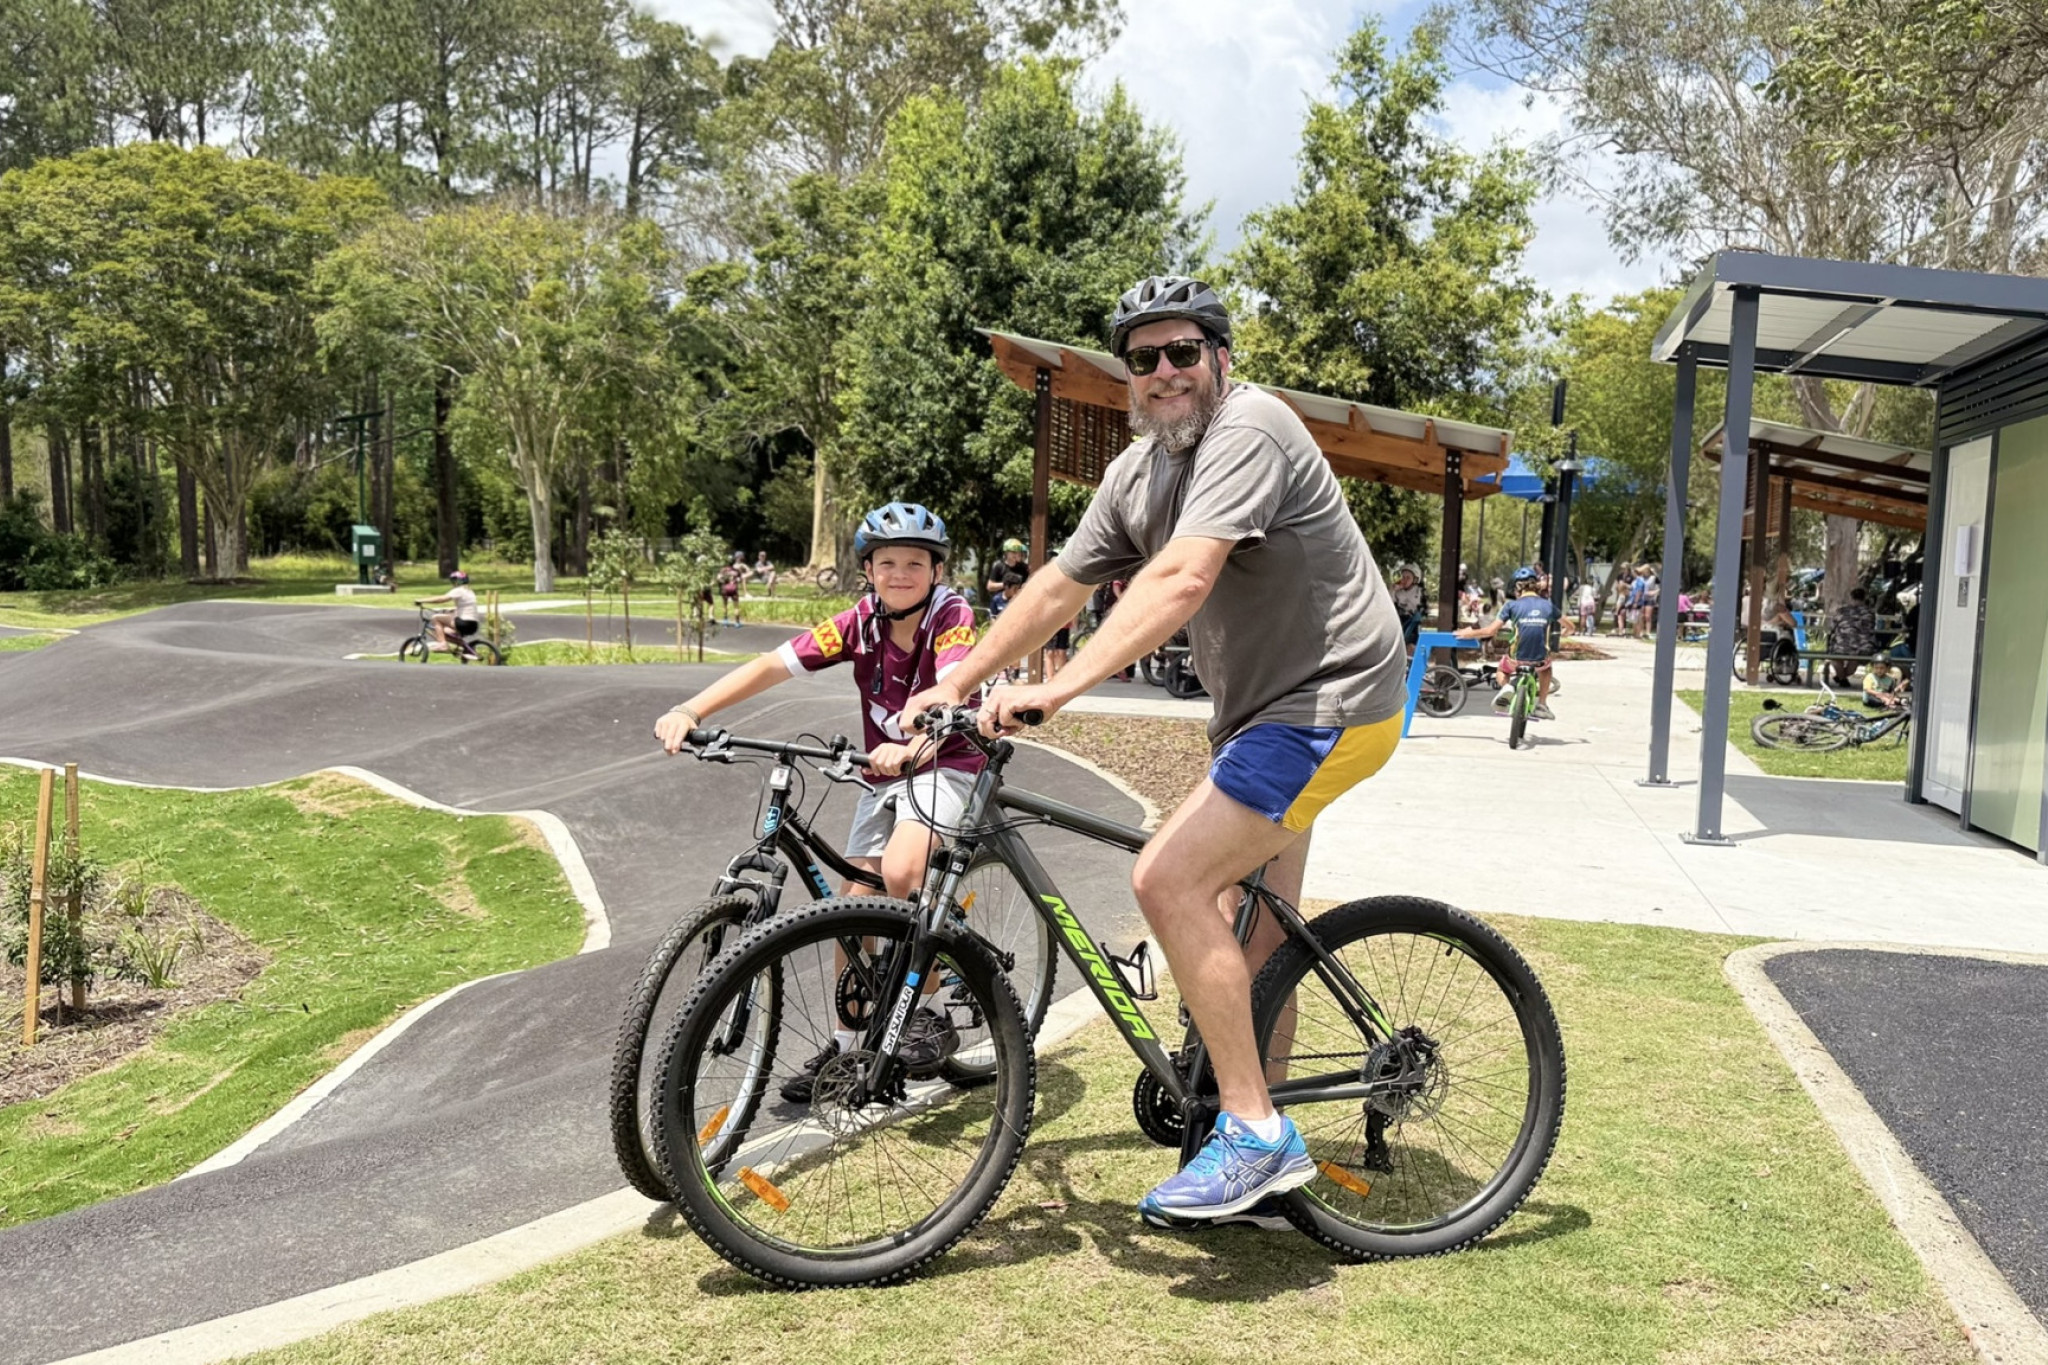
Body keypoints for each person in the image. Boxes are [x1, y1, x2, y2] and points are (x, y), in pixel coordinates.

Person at [900, 274, 1409, 1231]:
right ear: (1128, 378)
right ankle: (1262, 1168)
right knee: (1250, 931)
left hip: (1332, 700)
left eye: (1183, 351)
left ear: (1221, 357)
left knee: (1167, 882)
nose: (1165, 372)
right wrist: (960, 681)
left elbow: (1180, 577)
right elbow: (1056, 585)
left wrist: (1057, 687)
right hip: (1266, 716)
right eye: (1144, 359)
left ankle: (1256, 1133)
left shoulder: (1250, 429)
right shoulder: (1137, 472)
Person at [654, 502, 982, 1099]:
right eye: (888, 563)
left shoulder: (950, 614)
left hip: (948, 761)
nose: (901, 573)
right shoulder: (858, 622)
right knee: (851, 908)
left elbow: (951, 680)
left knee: (905, 871)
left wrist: (913, 747)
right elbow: (773, 665)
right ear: (869, 570)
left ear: (936, 571)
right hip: (882, 772)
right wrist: (690, 710)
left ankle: (928, 1007)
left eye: (916, 562)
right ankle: (848, 1051)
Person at [1457, 566, 1557, 721]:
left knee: (1502, 670)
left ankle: (1507, 687)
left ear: (1517, 588)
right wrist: (1565, 633)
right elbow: (1569, 626)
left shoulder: (1511, 606)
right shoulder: (1547, 605)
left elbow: (1490, 631)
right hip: (1540, 660)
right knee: (1547, 669)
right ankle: (1542, 704)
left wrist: (1469, 633)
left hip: (1516, 659)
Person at [416, 570, 481, 657]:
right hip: (473, 625)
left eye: (453, 581)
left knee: (436, 618)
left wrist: (422, 600)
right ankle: (466, 647)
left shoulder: (458, 590)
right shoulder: (470, 592)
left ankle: (442, 645)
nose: (452, 583)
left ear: (457, 581)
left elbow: (441, 599)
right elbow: (465, 607)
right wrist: (451, 610)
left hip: (463, 623)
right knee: (443, 632)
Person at [1828, 587, 1877, 687]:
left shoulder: (1841, 611)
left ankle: (1841, 678)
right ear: (1864, 598)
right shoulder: (1869, 613)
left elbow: (1832, 627)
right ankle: (1842, 678)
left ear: (1851, 597)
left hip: (1841, 645)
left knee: (1836, 658)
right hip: (1863, 647)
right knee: (1854, 659)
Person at [1389, 563, 1428, 652]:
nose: (1405, 580)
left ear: (1414, 579)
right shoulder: (1398, 591)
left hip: (1414, 621)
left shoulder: (1419, 591)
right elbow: (1390, 604)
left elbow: (1423, 608)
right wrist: (1393, 590)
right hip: (1400, 620)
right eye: (1403, 577)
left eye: (1408, 578)